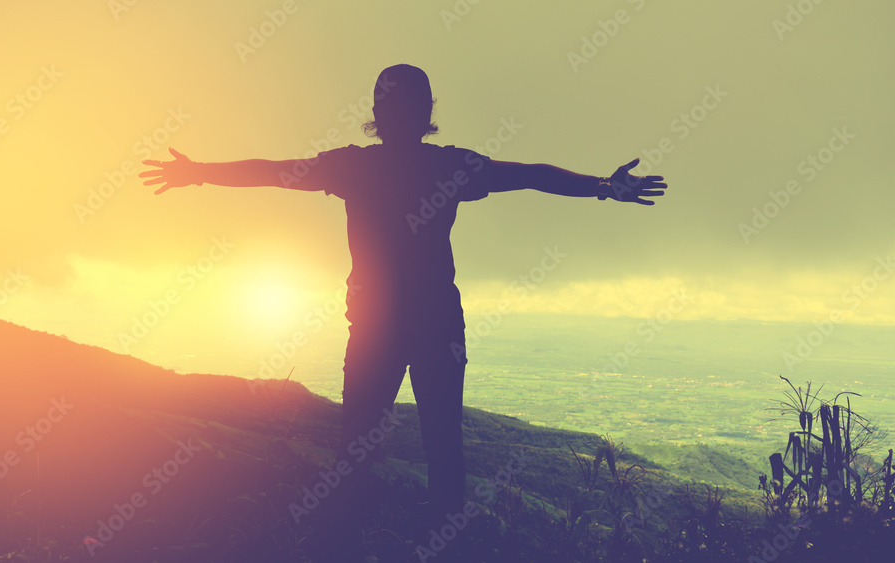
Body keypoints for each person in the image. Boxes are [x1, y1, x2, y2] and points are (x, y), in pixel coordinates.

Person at [139, 63, 665, 537]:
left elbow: (273, 170)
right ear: (426, 113)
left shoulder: (354, 167)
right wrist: (602, 186)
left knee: (358, 450)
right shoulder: (450, 166)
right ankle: (440, 544)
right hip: (436, 326)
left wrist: (200, 171)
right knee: (441, 445)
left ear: (377, 112)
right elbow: (529, 176)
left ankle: (343, 540)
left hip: (375, 328)